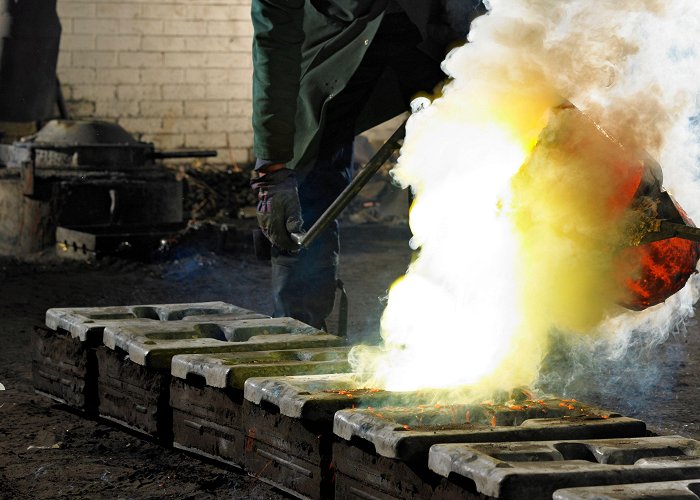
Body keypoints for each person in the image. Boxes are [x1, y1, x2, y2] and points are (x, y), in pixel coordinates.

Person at [250, 0, 485, 330]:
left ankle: (456, 317)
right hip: (337, 44)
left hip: (434, 35)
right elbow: (274, 45)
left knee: (463, 161)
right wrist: (273, 165)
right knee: (307, 175)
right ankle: (297, 329)